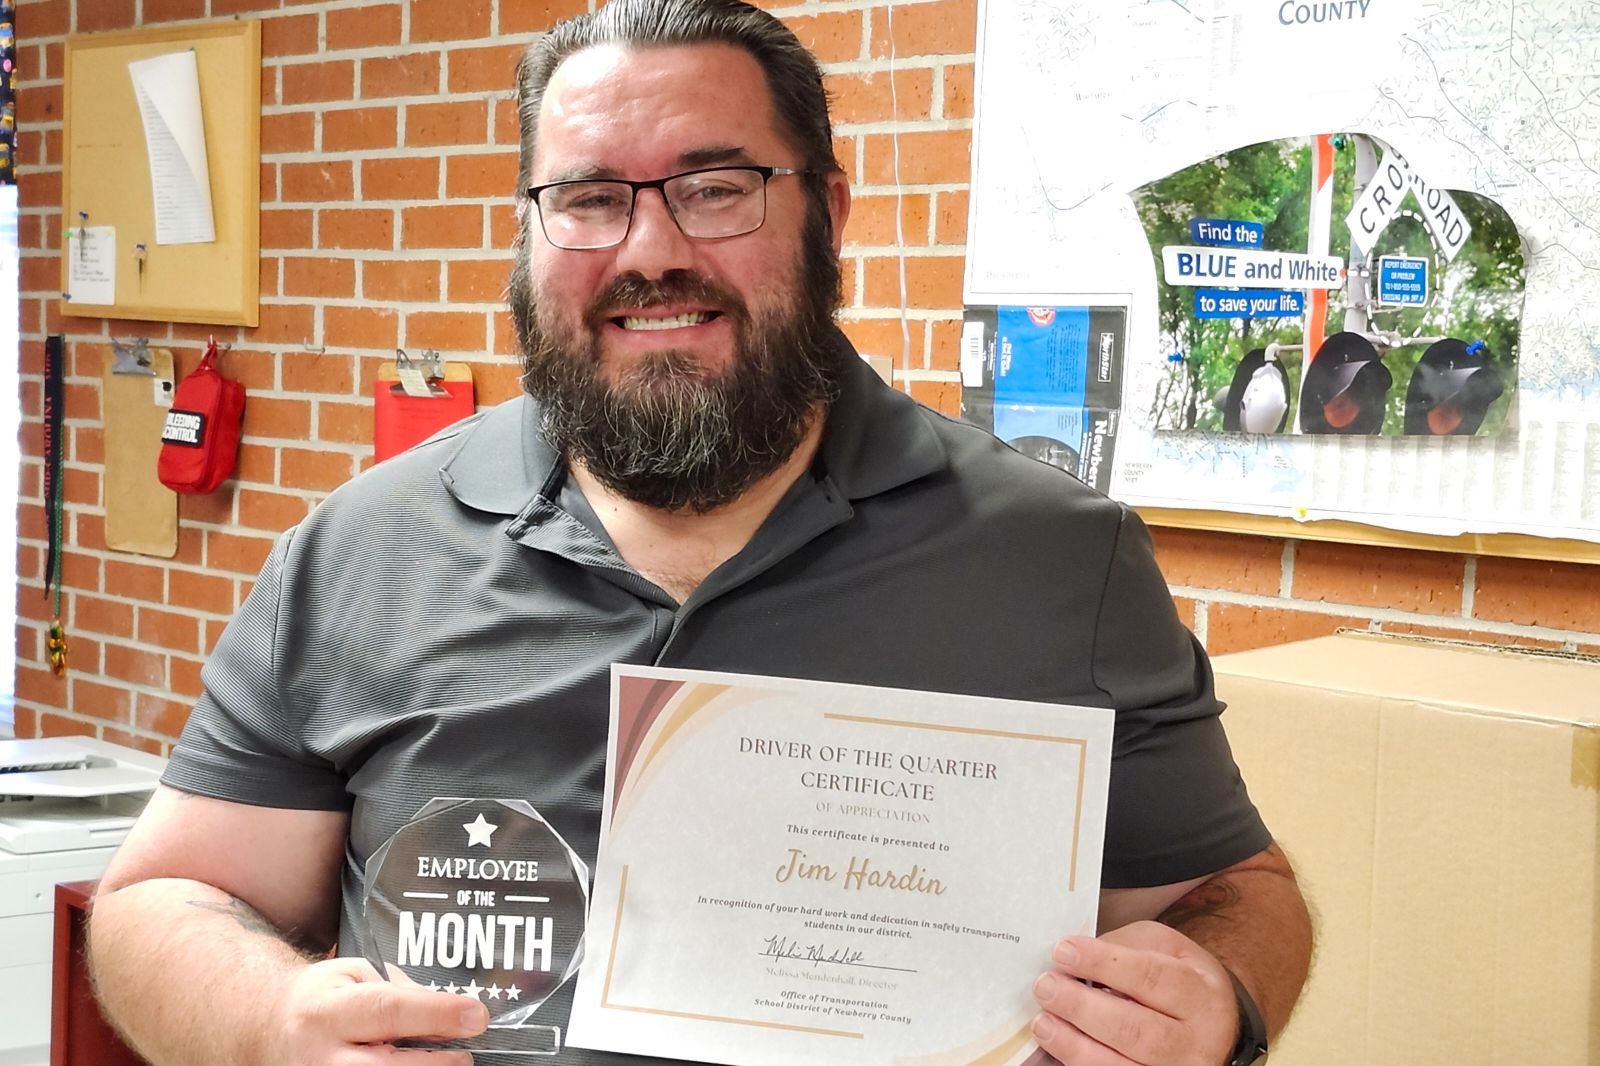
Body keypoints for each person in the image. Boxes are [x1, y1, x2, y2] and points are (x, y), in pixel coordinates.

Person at [87, 2, 1312, 1065]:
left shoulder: (1054, 557)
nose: (651, 250)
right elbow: (163, 900)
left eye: (716, 188)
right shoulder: (362, 548)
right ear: (530, 232)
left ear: (827, 211)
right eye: (588, 198)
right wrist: (266, 1018)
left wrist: (1218, 997)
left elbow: (1234, 895)